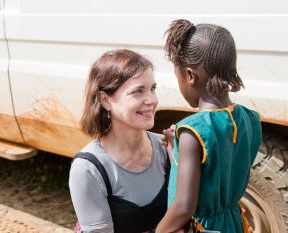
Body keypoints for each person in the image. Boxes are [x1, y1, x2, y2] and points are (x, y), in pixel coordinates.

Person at [156, 19, 262, 233]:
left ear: (189, 76)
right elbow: (216, 172)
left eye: (177, 75)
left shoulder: (192, 131)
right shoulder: (250, 119)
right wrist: (174, 152)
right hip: (233, 223)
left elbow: (184, 207)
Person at [69, 49, 170, 233]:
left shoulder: (167, 148)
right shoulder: (88, 170)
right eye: (138, 91)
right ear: (105, 100)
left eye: (152, 89)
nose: (152, 100)